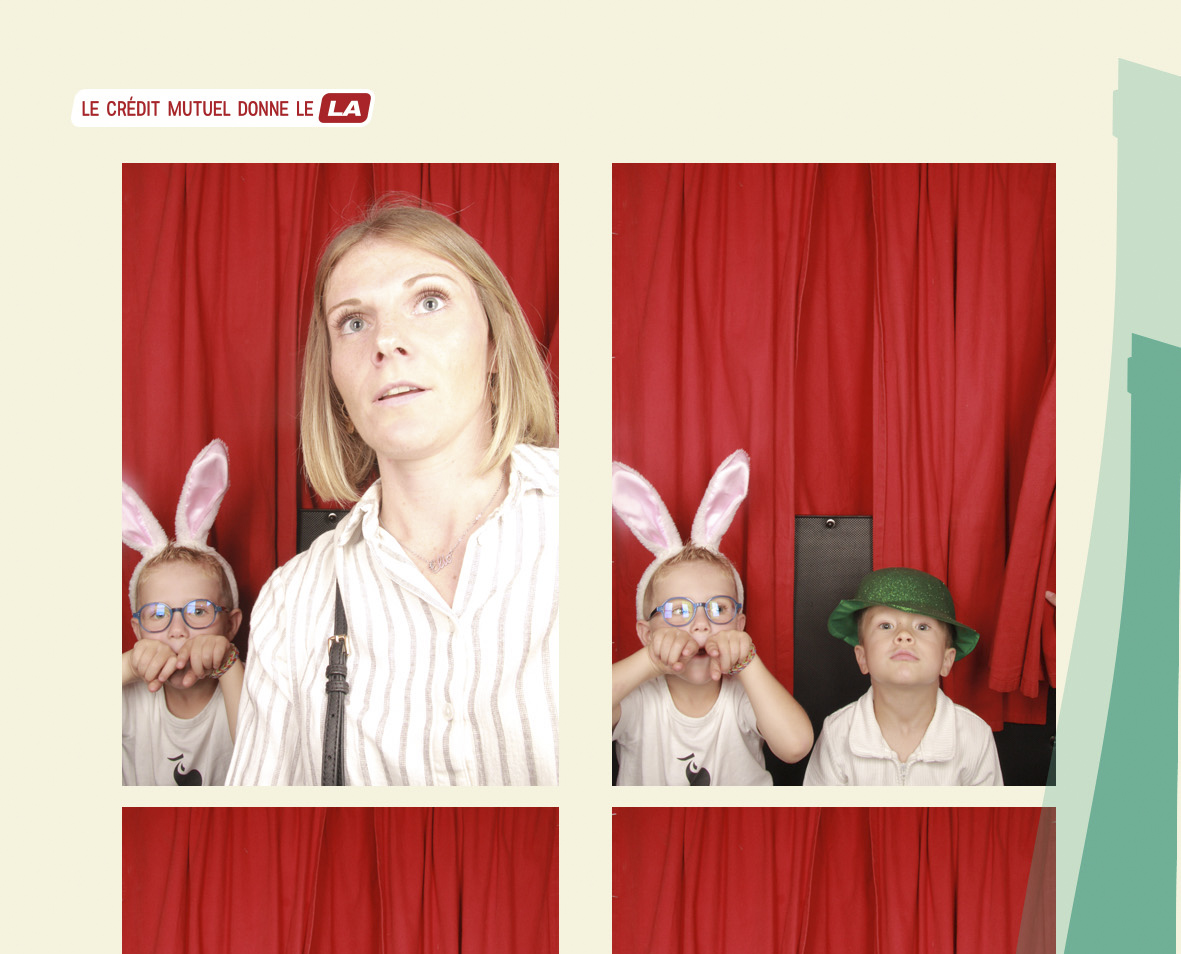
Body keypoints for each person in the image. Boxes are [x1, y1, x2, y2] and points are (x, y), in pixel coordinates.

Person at [227, 201, 558, 787]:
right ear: (335, 380)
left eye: (429, 301)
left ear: (494, 345)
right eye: (354, 322)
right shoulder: (291, 602)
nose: (386, 341)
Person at [612, 453, 812, 785]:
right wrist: (651, 660)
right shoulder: (638, 698)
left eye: (718, 609)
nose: (701, 624)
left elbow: (796, 746)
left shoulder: (744, 694)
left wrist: (747, 662)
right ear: (646, 633)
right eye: (679, 611)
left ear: (739, 626)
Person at [803, 567, 1003, 785]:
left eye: (922, 626)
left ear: (947, 661)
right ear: (862, 657)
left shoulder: (975, 737)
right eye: (886, 625)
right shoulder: (837, 735)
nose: (904, 635)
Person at [122, 440, 244, 786]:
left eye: (198, 610)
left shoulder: (243, 687)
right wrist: (129, 666)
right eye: (158, 614)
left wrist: (229, 666)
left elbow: (263, 758)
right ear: (138, 630)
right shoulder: (128, 698)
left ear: (231, 624)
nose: (178, 630)